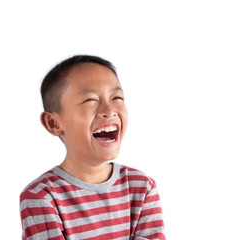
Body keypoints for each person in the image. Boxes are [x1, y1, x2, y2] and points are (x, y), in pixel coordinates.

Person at [19, 55, 166, 240]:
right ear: (53, 123)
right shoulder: (40, 196)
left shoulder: (142, 187)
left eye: (117, 97)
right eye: (90, 100)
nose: (109, 110)